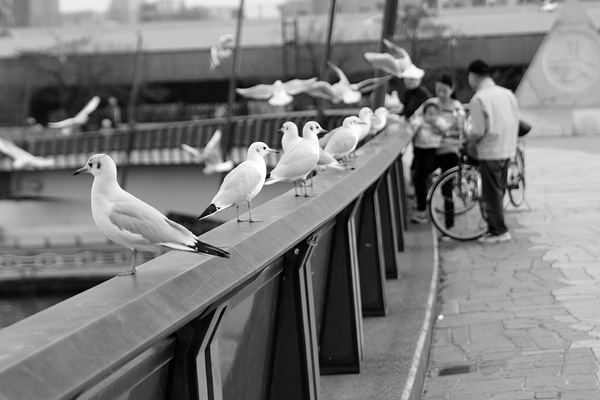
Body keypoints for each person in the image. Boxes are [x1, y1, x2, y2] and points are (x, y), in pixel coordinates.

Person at [466, 59, 519, 243]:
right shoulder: (507, 94)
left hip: (490, 150)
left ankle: (498, 231)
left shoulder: (478, 98)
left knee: (492, 193)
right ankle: (495, 227)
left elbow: (478, 131)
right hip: (507, 148)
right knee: (499, 190)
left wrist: (468, 134)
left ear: (472, 76)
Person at [411, 72, 466, 232]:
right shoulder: (430, 103)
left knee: (446, 188)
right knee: (419, 175)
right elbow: (415, 118)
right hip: (431, 150)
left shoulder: (457, 107)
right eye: (438, 90)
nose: (441, 94)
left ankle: (449, 227)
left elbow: (461, 132)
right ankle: (421, 211)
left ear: (451, 89)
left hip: (449, 151)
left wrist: (444, 132)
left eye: (444, 90)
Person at [409, 100, 450, 224]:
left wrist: (439, 127)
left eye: (434, 114)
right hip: (419, 151)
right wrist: (416, 127)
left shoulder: (439, 122)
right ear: (424, 114)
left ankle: (422, 206)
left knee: (421, 174)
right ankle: (419, 201)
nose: (432, 117)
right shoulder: (420, 122)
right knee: (416, 174)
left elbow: (446, 129)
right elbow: (413, 124)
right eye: (429, 114)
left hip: (431, 151)